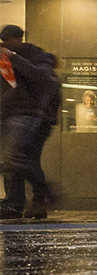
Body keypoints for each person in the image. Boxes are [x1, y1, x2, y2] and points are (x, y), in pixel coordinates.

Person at [0, 24, 60, 219]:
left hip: (30, 116)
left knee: (14, 156)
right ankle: (21, 202)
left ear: (17, 39)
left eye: (7, 39)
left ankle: (42, 195)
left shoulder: (34, 57)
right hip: (12, 114)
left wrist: (13, 57)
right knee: (12, 159)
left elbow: (39, 77)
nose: (4, 44)